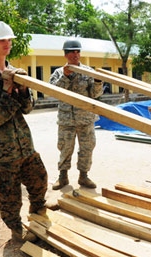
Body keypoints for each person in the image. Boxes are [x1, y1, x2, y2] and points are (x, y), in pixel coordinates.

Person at [0, 21, 51, 242]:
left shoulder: (16, 73)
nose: (7, 43)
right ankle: (16, 229)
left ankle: (38, 211)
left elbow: (27, 108)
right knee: (9, 196)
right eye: (2, 40)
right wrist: (6, 91)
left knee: (39, 179)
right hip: (1, 151)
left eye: (9, 40)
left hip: (24, 144)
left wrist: (23, 90)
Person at [49, 39, 103, 190]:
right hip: (66, 120)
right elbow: (53, 92)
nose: (75, 54)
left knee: (87, 147)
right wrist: (65, 76)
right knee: (65, 148)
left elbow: (94, 94)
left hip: (86, 118)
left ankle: (83, 176)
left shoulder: (88, 72)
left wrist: (98, 82)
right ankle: (63, 176)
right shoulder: (58, 73)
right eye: (72, 51)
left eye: (77, 51)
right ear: (66, 54)